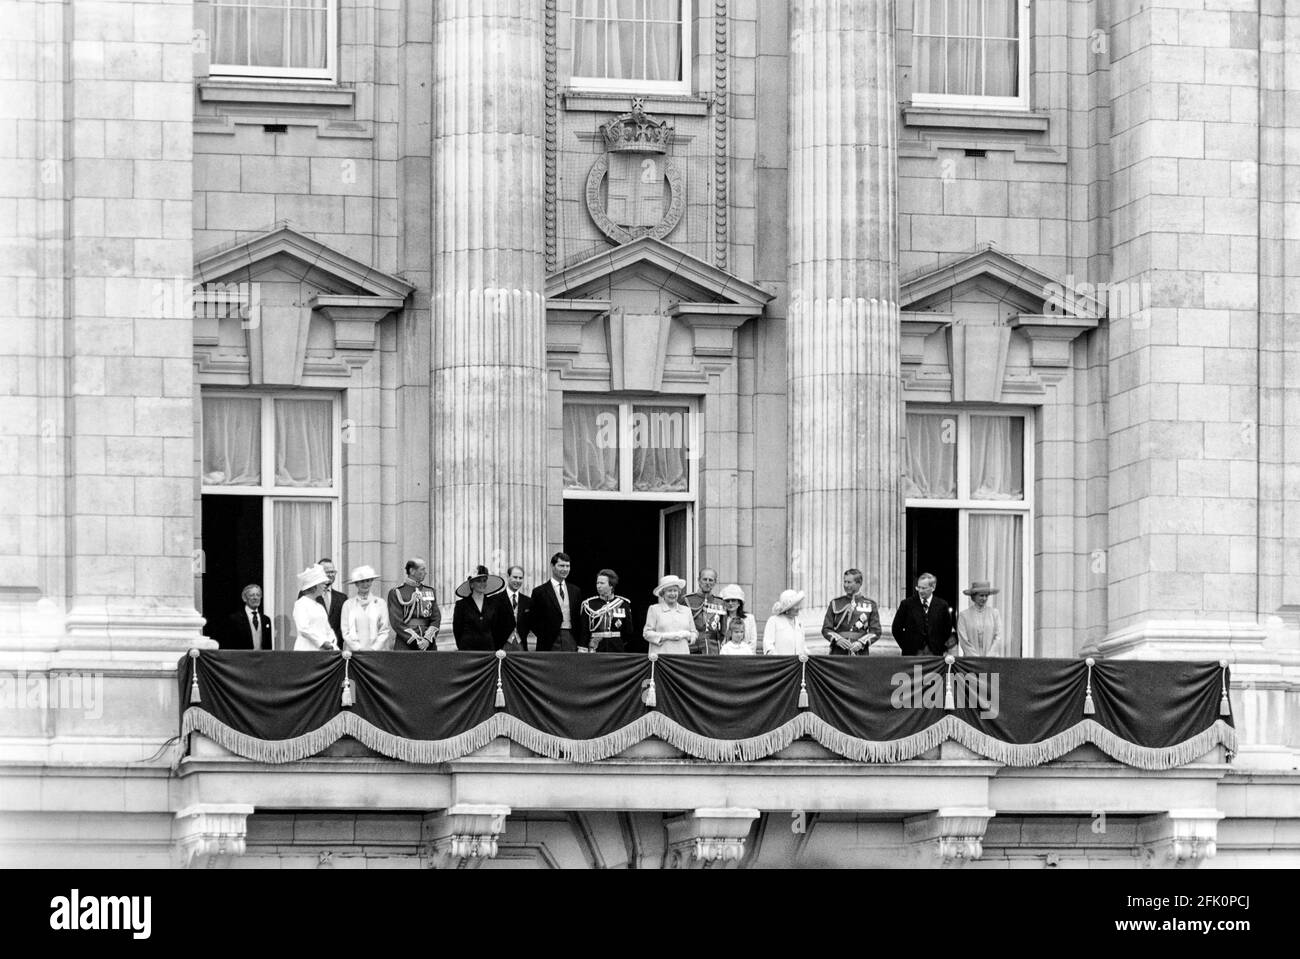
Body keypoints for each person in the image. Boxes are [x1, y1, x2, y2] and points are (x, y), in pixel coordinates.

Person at [529, 552, 590, 651]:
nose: (565, 569)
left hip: (571, 638)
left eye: (567, 566)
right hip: (548, 641)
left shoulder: (575, 590)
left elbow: (580, 618)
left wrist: (581, 643)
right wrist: (544, 634)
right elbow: (533, 619)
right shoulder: (539, 591)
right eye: (561, 566)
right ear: (552, 566)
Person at [891, 573, 956, 656]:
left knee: (932, 669)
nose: (920, 591)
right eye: (919, 587)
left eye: (924, 588)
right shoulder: (907, 604)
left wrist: (939, 645)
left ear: (933, 587)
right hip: (913, 653)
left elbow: (947, 629)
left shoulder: (942, 605)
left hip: (934, 653)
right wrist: (906, 646)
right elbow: (896, 629)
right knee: (917, 669)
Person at [821, 568, 881, 656]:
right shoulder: (835, 603)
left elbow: (876, 631)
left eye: (849, 582)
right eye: (844, 582)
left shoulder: (870, 604)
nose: (845, 585)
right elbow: (826, 629)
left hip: (860, 653)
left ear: (859, 583)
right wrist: (838, 640)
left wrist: (861, 643)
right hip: (838, 652)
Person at [452, 566, 511, 651]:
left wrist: (496, 648)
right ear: (471, 584)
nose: (482, 584)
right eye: (479, 581)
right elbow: (457, 630)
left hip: (489, 650)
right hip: (468, 651)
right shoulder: (461, 605)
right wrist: (462, 648)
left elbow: (498, 628)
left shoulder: (493, 604)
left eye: (484, 580)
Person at [387, 557, 441, 651]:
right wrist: (417, 640)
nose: (426, 572)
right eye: (422, 569)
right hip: (405, 643)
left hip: (428, 644)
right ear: (412, 571)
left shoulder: (430, 591)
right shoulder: (397, 592)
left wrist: (427, 639)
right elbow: (396, 622)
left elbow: (436, 618)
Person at [580, 569, 635, 653]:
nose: (598, 586)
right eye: (597, 583)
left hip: (616, 648)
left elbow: (628, 631)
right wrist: (583, 648)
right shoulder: (589, 604)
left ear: (611, 585)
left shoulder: (623, 604)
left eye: (602, 583)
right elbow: (584, 631)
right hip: (595, 648)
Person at [341, 564, 391, 652]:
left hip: (376, 653)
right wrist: (358, 648)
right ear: (356, 583)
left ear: (371, 581)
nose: (365, 584)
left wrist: (374, 649)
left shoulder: (380, 603)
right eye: (362, 581)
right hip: (354, 653)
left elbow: (384, 630)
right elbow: (345, 631)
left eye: (368, 581)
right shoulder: (348, 604)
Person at [643, 575, 694, 655]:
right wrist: (666, 636)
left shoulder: (686, 610)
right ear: (662, 594)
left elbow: (693, 632)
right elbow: (647, 633)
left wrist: (688, 635)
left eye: (675, 590)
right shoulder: (654, 609)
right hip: (662, 655)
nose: (673, 594)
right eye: (669, 591)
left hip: (682, 655)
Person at [293, 565, 337, 651]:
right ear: (314, 586)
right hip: (306, 649)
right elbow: (303, 628)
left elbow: (328, 629)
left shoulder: (320, 606)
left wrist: (331, 642)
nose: (325, 586)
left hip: (323, 651)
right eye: (322, 583)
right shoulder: (301, 603)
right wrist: (321, 642)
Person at [684, 567, 726, 654]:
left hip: (713, 648)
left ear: (715, 582)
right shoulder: (687, 600)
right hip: (692, 647)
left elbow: (723, 630)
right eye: (705, 579)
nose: (707, 583)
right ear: (699, 580)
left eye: (711, 580)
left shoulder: (720, 602)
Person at [956, 581, 1003, 657]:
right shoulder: (964, 615)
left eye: (986, 596)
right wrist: (976, 658)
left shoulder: (994, 613)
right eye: (981, 595)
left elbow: (998, 637)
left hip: (992, 660)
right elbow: (963, 640)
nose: (984, 598)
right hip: (971, 661)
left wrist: (989, 656)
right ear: (974, 597)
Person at [224, 584, 272, 650]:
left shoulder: (266, 620)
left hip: (262, 658)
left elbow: (268, 646)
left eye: (258, 595)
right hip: (243, 658)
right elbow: (230, 644)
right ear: (244, 598)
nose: (255, 598)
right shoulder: (235, 619)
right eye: (252, 595)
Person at [763, 589, 808, 656]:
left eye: (798, 604)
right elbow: (768, 646)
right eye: (795, 605)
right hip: (781, 664)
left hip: (797, 664)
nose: (798, 608)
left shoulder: (799, 623)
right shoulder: (774, 621)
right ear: (787, 608)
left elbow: (803, 646)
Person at [316, 557, 348, 648]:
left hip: (335, 649)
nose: (330, 575)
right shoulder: (308, 595)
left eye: (332, 572)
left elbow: (344, 626)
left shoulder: (342, 598)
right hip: (314, 649)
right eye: (327, 572)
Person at [501, 565, 532, 651]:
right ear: (508, 577)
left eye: (520, 578)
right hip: (502, 646)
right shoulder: (496, 599)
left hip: (521, 645)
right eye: (515, 577)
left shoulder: (528, 601)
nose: (518, 581)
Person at [718, 584, 757, 652]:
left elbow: (753, 642)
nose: (730, 603)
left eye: (733, 600)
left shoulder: (749, 618)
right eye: (727, 601)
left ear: (739, 603)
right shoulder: (720, 619)